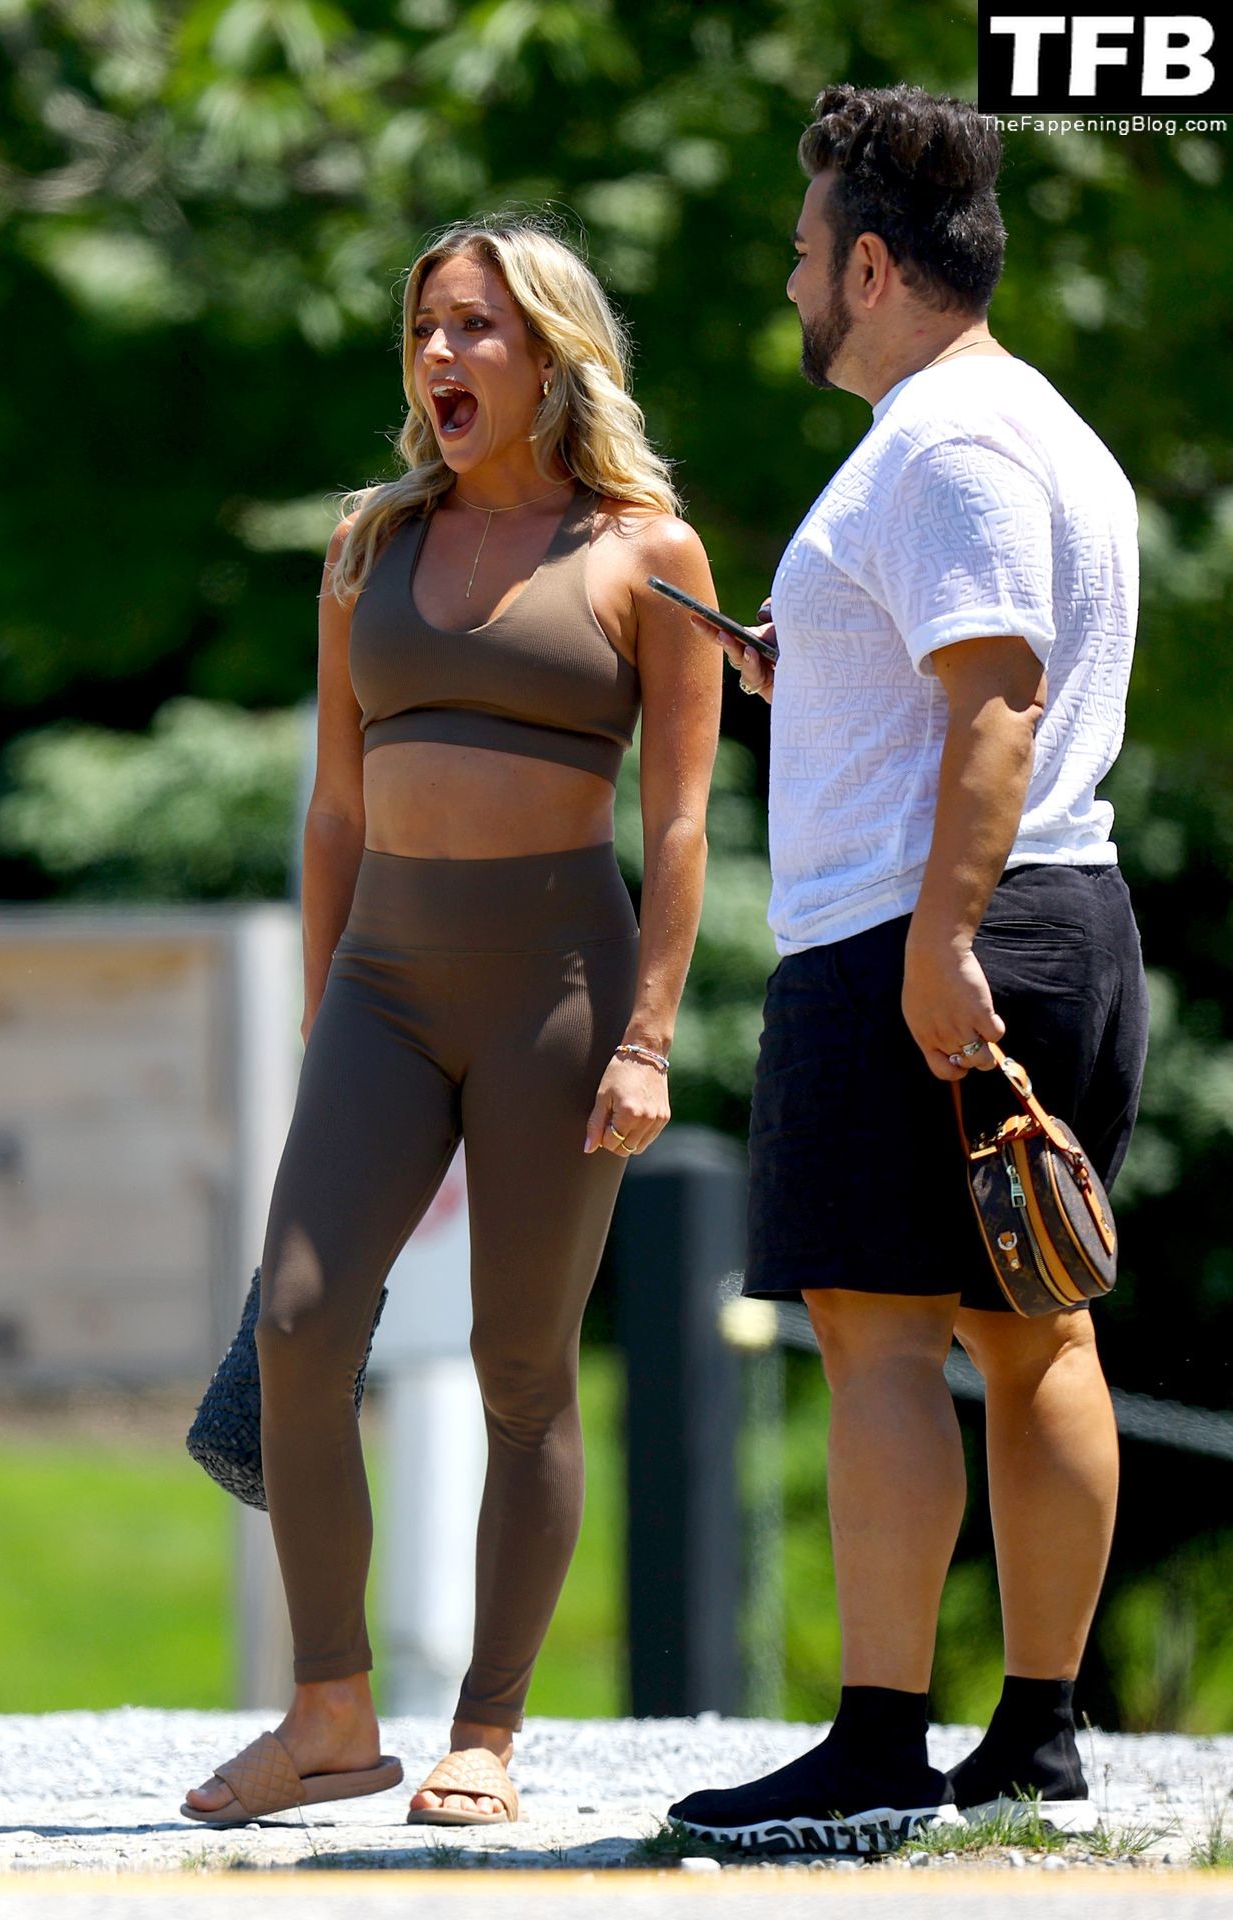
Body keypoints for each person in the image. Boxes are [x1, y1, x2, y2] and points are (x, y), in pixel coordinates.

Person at [181, 214, 722, 1829]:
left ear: (551, 353)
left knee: (520, 1368)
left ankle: (486, 1728)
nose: (439, 355)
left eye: (475, 326)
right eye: (426, 327)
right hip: (382, 990)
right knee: (299, 1321)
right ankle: (329, 1715)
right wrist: (325, 1012)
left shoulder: (650, 553)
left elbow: (682, 823)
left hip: (563, 989)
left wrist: (649, 1037)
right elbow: (336, 812)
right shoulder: (368, 544)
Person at [671, 82, 1146, 1855]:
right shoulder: (1038, 426)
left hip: (923, 929)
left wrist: (941, 940)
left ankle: (878, 1743)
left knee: (879, 1337)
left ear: (872, 267)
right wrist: (809, 670)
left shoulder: (943, 443)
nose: (792, 285)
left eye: (806, 253)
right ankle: (1036, 1736)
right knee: (1034, 1326)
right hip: (1056, 911)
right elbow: (965, 675)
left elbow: (1001, 700)